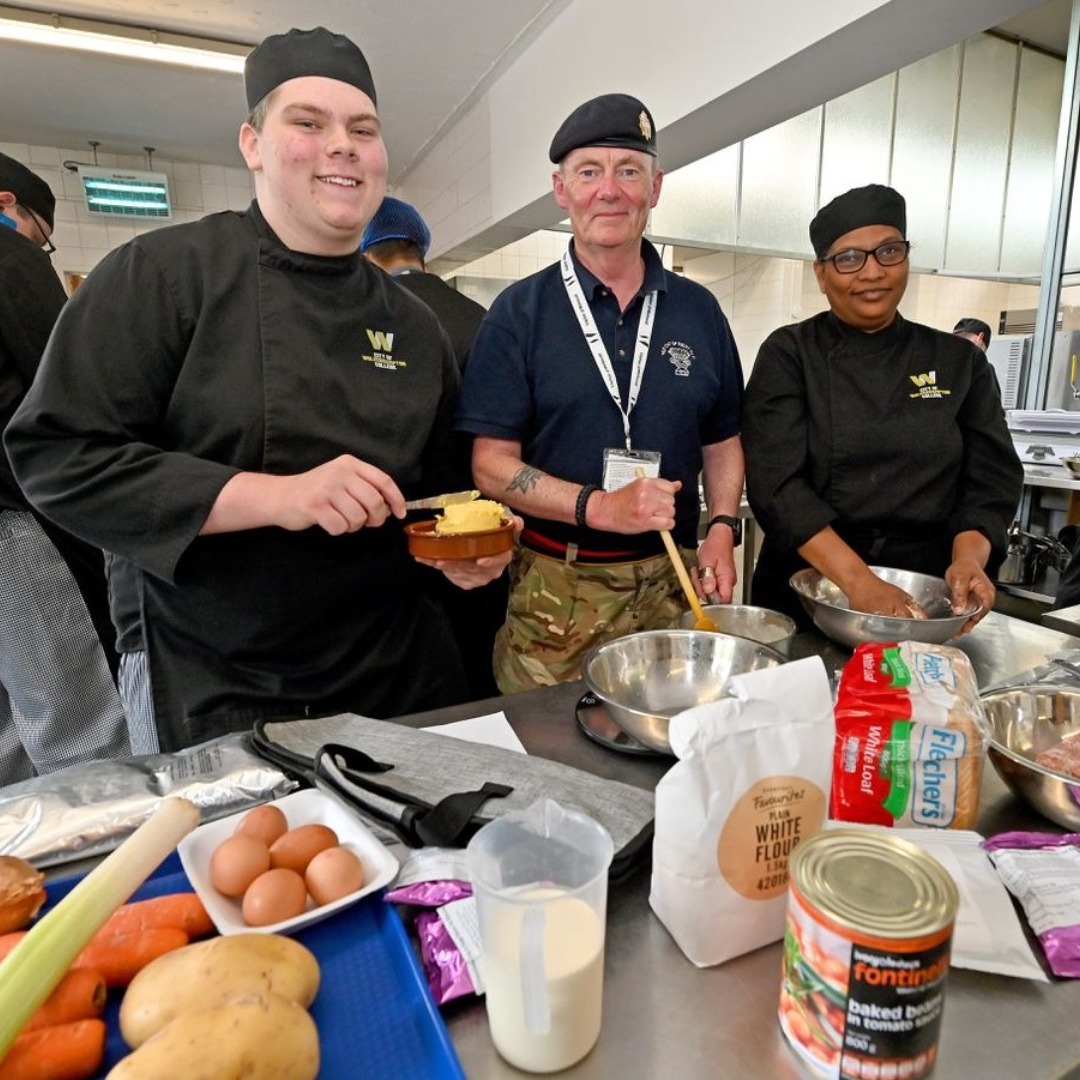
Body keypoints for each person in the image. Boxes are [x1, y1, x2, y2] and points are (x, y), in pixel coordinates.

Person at [5, 27, 512, 753]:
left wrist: (466, 555)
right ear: (252, 142)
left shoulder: (415, 324)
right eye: (307, 123)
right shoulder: (161, 276)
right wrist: (280, 495)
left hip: (394, 672)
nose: (342, 145)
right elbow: (57, 456)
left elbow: (436, 492)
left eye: (362, 130)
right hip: (220, 678)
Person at [457, 93, 745, 693]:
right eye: (589, 172)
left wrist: (721, 526)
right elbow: (490, 465)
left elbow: (723, 441)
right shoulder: (519, 314)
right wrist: (601, 507)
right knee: (548, 764)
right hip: (555, 593)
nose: (608, 190)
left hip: (674, 583)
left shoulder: (700, 311)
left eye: (628, 170)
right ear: (561, 190)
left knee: (671, 754)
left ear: (655, 187)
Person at [742, 183, 1023, 630]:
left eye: (888, 251)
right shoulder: (791, 353)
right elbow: (776, 485)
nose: (871, 272)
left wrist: (969, 559)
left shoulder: (958, 361)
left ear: (906, 258)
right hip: (809, 586)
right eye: (849, 258)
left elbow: (992, 480)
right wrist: (860, 581)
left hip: (924, 589)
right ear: (821, 274)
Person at [0, 152, 130, 784]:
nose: (37, 249)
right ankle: (104, 864)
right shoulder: (10, 258)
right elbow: (60, 393)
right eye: (40, 236)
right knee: (74, 718)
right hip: (15, 521)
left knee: (8, 724)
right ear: (6, 204)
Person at [362, 196, 508, 699]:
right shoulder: (483, 319)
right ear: (421, 252)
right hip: (480, 539)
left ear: (364, 256)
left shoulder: (367, 322)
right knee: (477, 681)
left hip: (389, 543)